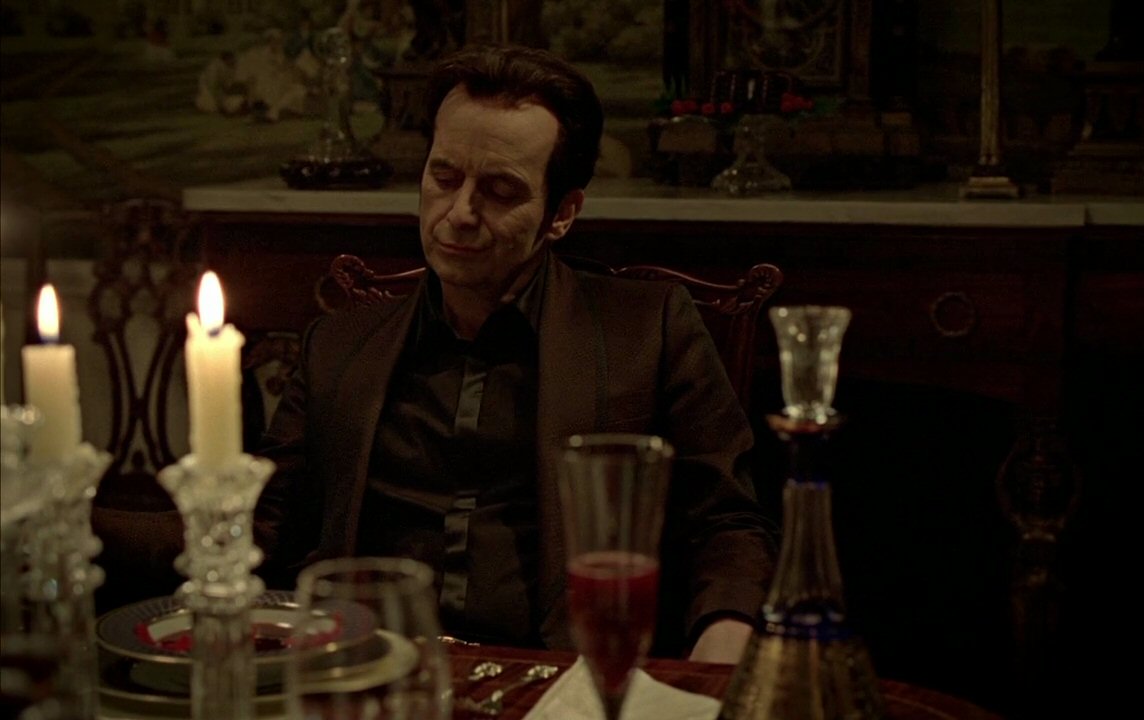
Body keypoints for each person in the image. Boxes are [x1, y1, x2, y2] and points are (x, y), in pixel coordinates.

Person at [252, 45, 776, 662]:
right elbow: (260, 524)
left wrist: (724, 636)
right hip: (372, 668)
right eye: (444, 177)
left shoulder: (647, 329)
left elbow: (726, 522)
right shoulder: (340, 343)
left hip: (563, 674)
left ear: (562, 214)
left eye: (500, 191)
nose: (459, 213)